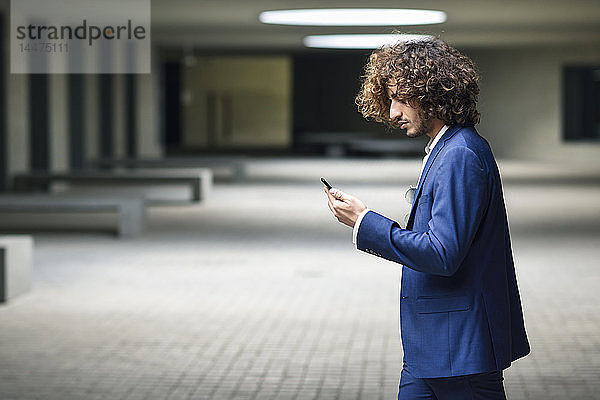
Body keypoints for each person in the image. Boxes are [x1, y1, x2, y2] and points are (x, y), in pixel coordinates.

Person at [324, 38, 530, 399]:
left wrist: (364, 221)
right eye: (389, 100)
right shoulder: (448, 148)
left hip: (460, 350)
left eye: (400, 99)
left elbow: (441, 253)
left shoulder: (460, 154)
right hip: (436, 348)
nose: (392, 113)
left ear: (432, 93)